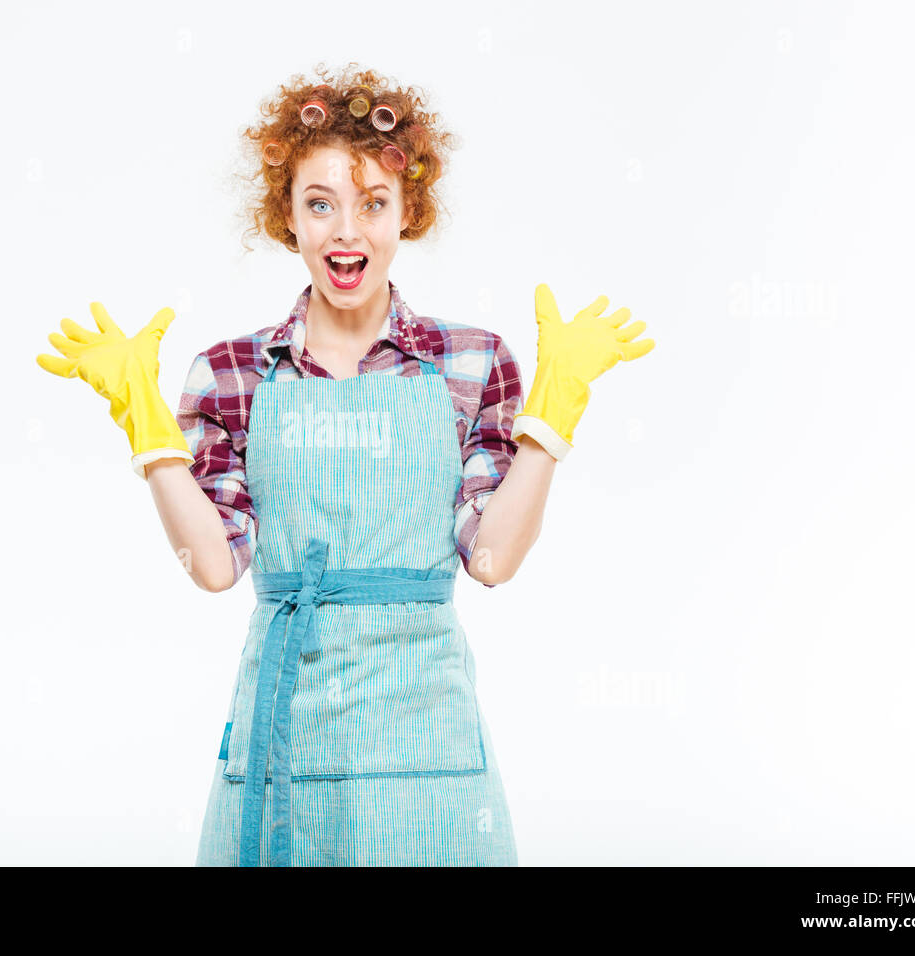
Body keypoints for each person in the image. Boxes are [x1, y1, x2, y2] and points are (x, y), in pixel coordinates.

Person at [36, 64, 654, 867]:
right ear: (287, 218)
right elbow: (217, 569)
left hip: (427, 756)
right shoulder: (234, 372)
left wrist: (550, 421)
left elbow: (493, 560)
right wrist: (149, 429)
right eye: (319, 203)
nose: (345, 231)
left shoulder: (470, 363)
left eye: (373, 204)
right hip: (285, 741)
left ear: (409, 213)